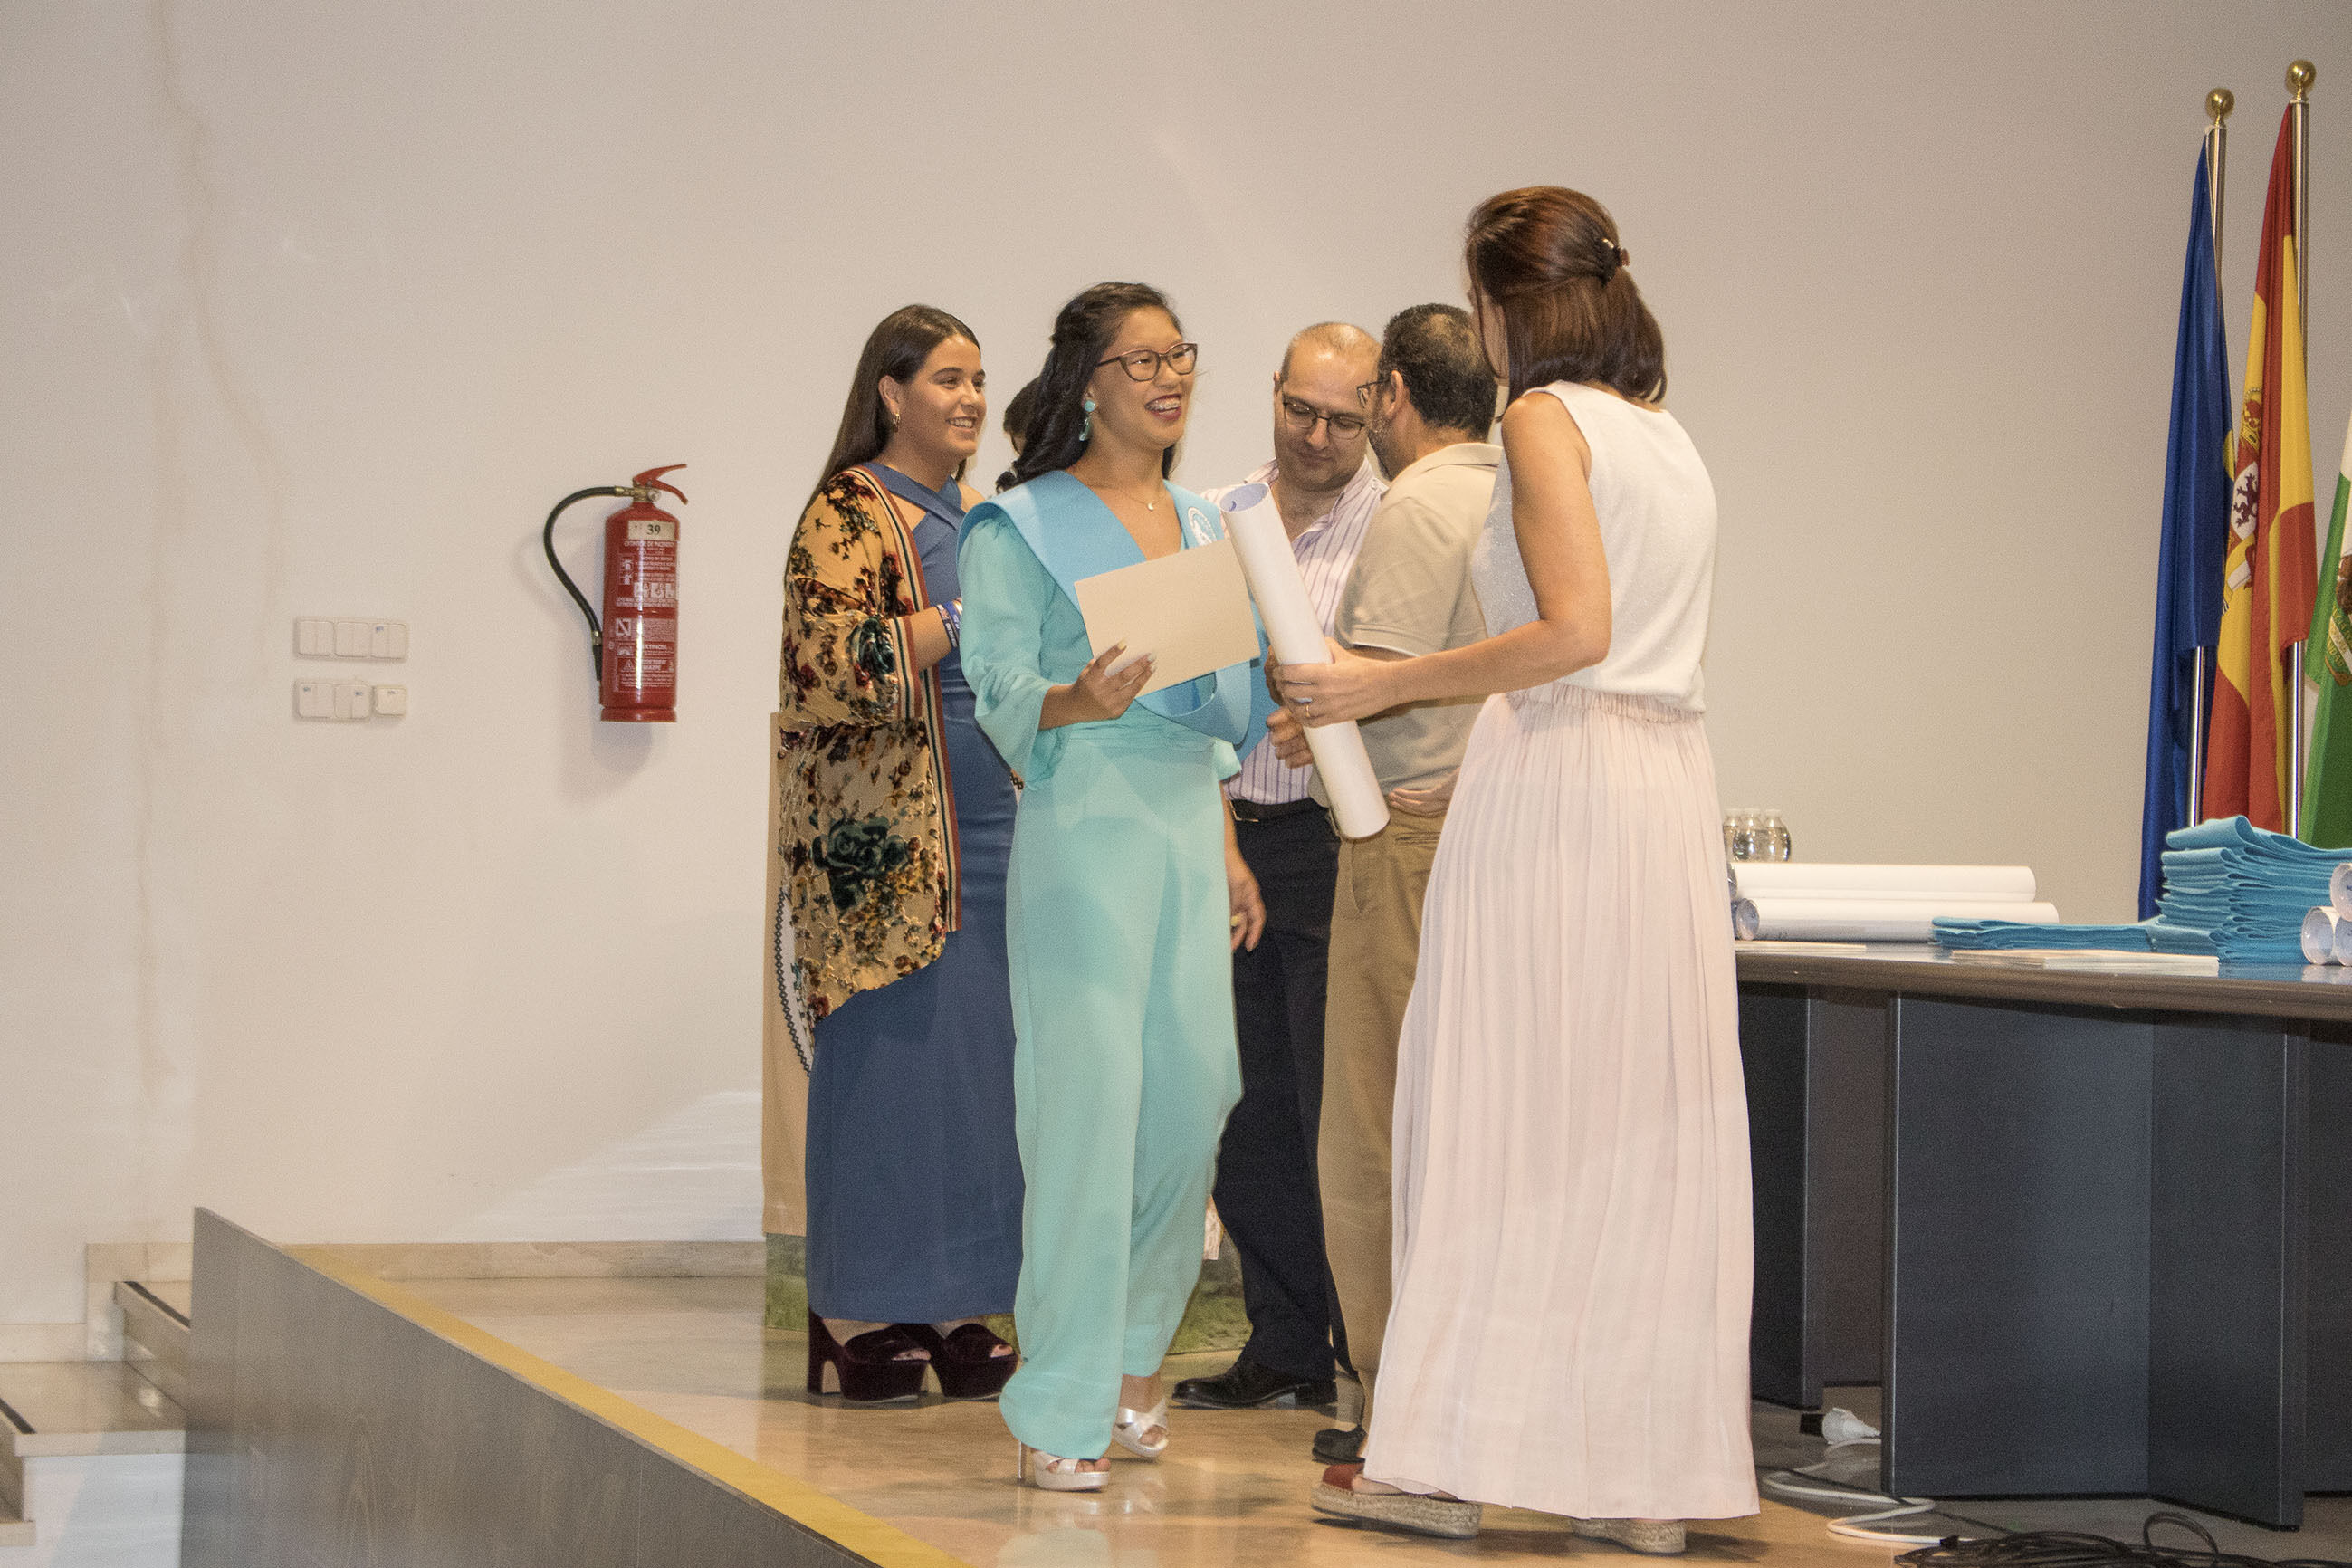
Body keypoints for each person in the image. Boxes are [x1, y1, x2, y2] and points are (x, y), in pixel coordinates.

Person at [1292, 189, 1757, 1551]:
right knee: (1630, 1126)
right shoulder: (1666, 435)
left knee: (1494, 1113)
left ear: (1504, 305)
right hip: (1658, 783)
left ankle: (1443, 1461)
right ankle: (1642, 1476)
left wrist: (1373, 684)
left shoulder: (1543, 418)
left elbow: (1571, 631)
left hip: (1558, 771)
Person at [956, 282, 1276, 1489]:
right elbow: (997, 688)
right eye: (1140, 359)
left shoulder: (1203, 522)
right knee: (1086, 1116)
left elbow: (1214, 712)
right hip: (1083, 823)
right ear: (1086, 382)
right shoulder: (1018, 525)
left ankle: (1136, 1362)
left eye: (1179, 354)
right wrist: (1071, 697)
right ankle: (1058, 1400)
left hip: (1186, 827)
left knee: (1193, 1100)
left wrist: (1230, 844)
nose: (1168, 376)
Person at [778, 305, 1022, 1404]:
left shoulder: (981, 515)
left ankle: (961, 1299)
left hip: (994, 834)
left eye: (978, 380)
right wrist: (961, 618)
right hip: (884, 852)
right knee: (887, 1070)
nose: (971, 399)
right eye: (948, 379)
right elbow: (829, 664)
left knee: (977, 1076)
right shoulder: (850, 508)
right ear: (891, 392)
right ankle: (859, 1309)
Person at [1277, 304, 1499, 1464]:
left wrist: (1303, 683)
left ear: (1394, 395)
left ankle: (1387, 1391)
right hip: (1490, 833)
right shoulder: (1515, 491)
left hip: (1400, 840)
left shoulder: (1419, 503)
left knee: (1371, 1131)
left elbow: (1377, 678)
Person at [1171, 323, 1384, 1416]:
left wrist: (1343, 710)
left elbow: (1412, 682)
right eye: (1300, 409)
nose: (1317, 435)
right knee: (1237, 1100)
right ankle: (1285, 1340)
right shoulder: (1210, 515)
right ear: (1272, 394)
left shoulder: (1396, 525)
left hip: (1332, 840)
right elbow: (1172, 672)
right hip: (1218, 829)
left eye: (1343, 419)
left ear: (1379, 410)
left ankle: (1354, 1345)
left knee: (1328, 1104)